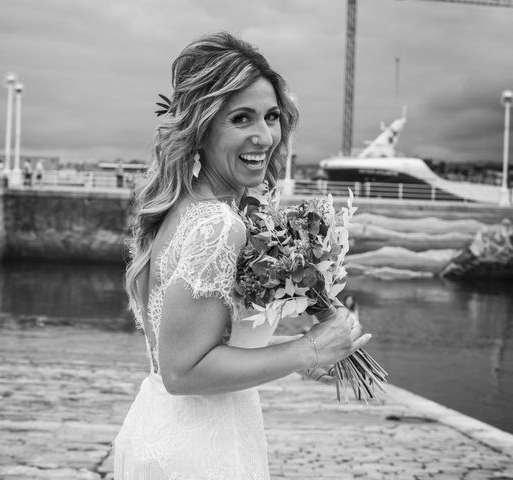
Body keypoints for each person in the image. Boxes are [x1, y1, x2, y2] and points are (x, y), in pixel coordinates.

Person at [114, 32, 371, 479]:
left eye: (271, 117)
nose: (264, 136)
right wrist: (309, 348)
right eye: (241, 118)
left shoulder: (176, 208)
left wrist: (299, 354)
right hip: (205, 451)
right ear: (203, 126)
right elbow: (184, 370)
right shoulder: (218, 224)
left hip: (161, 430)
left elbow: (197, 344)